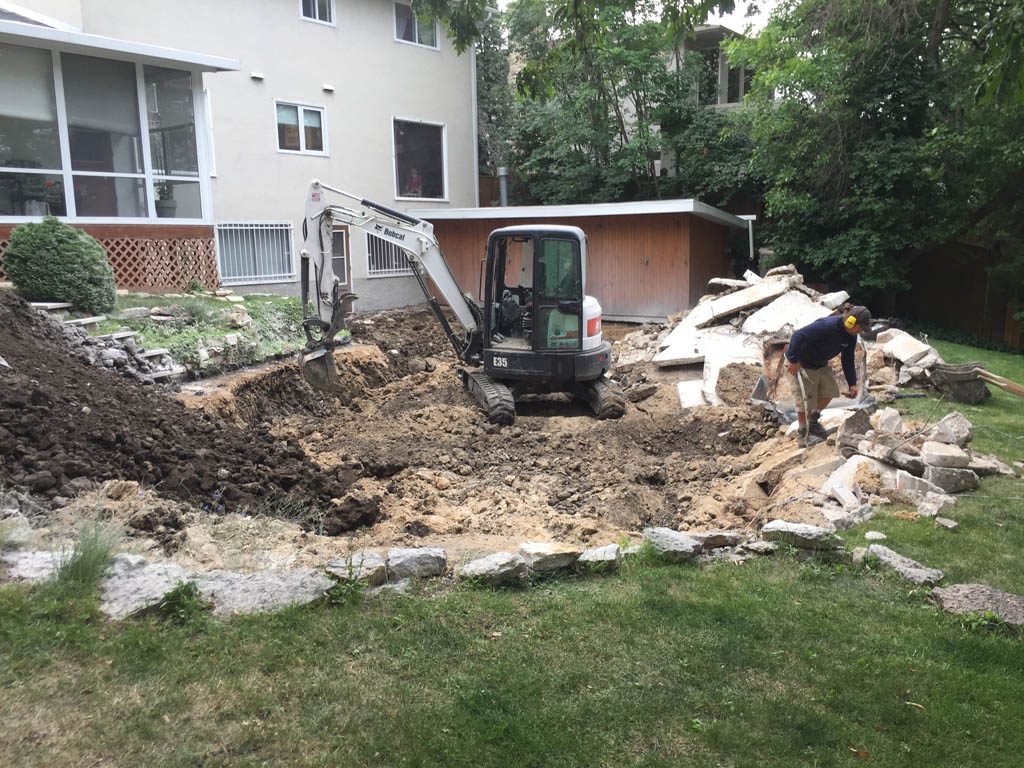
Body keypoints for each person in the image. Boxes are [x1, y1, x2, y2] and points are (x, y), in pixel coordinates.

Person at [785, 305, 871, 446]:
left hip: (820, 363)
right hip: (801, 363)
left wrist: (852, 383)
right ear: (850, 321)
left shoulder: (851, 336)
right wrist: (793, 360)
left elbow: (847, 359)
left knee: (830, 391)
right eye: (860, 327)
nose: (860, 331)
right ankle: (803, 434)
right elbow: (798, 335)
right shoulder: (826, 326)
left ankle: (812, 421)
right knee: (805, 400)